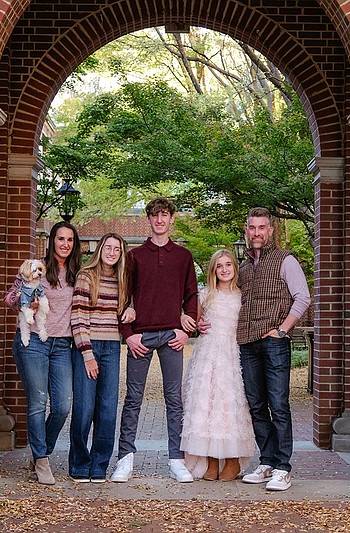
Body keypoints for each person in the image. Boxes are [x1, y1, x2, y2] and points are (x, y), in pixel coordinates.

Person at [111, 197, 199, 483]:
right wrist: (128, 336)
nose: (160, 220)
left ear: (172, 219)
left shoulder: (183, 256)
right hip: (141, 337)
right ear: (148, 219)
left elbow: (191, 294)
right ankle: (125, 460)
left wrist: (187, 330)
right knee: (133, 399)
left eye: (165, 215)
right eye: (154, 215)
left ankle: (177, 459)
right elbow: (123, 297)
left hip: (172, 336)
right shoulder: (135, 256)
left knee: (174, 399)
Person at [234, 207, 309, 491]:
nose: (257, 233)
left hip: (274, 343)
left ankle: (282, 467)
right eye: (252, 228)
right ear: (247, 231)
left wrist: (282, 329)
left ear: (270, 230)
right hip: (248, 344)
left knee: (278, 405)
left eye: (262, 228)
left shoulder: (285, 260)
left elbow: (302, 297)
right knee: (256, 406)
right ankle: (266, 461)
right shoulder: (242, 269)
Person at [5, 221, 81, 485]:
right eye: (60, 239)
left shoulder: (77, 273)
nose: (65, 244)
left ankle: (40, 451)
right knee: (38, 403)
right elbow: (10, 298)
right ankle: (41, 460)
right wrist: (26, 302)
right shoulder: (36, 268)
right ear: (53, 241)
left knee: (62, 406)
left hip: (62, 345)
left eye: (70, 240)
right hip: (34, 342)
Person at [179, 249, 256, 481]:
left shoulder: (242, 296)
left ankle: (232, 461)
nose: (224, 270)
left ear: (235, 268)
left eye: (228, 265)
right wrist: (187, 319)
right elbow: (193, 320)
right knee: (207, 405)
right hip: (208, 356)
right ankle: (210, 461)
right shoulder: (206, 295)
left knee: (230, 406)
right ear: (213, 270)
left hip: (232, 356)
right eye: (219, 266)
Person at [69, 233, 133, 483]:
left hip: (112, 347)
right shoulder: (86, 276)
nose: (112, 252)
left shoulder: (122, 279)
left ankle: (99, 465)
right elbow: (78, 317)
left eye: (117, 249)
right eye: (108, 247)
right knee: (84, 408)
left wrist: (132, 307)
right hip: (88, 346)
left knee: (107, 409)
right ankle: (79, 463)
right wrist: (87, 354)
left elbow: (130, 303)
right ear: (100, 249)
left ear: (121, 254)